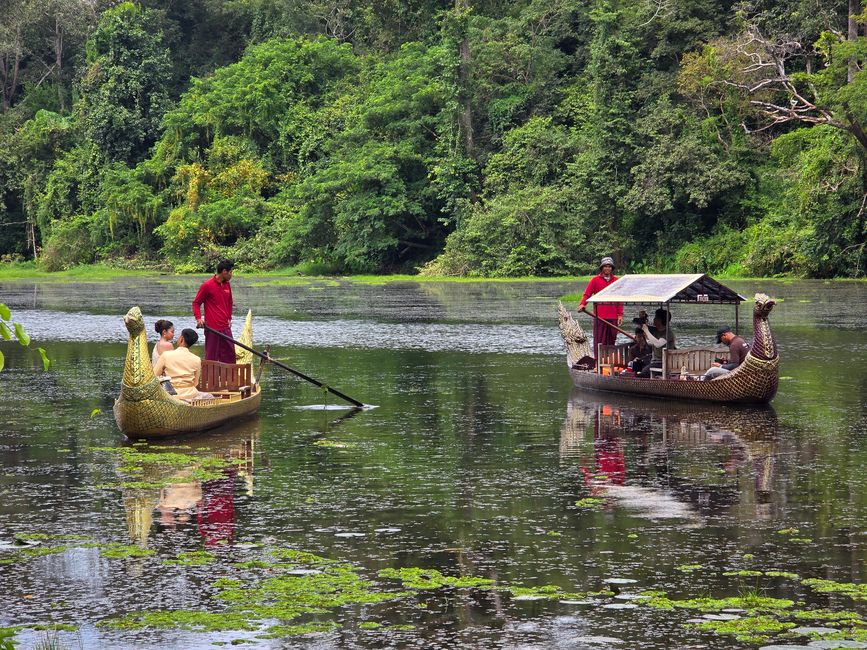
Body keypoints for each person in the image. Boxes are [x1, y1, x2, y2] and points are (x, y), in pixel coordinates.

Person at [578, 257, 623, 356]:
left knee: (611, 339)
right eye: (605, 266)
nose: (608, 268)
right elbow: (587, 294)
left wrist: (620, 315)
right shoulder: (595, 280)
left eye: (609, 266)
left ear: (612, 268)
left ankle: (610, 361)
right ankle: (597, 362)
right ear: (602, 268)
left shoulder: (616, 281)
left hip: (613, 316)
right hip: (599, 316)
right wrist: (582, 304)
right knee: (599, 340)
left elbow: (620, 299)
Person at [193, 259, 235, 363]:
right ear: (224, 271)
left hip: (225, 327)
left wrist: (229, 318)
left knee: (230, 355)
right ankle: (210, 379)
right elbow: (196, 303)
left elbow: (229, 302)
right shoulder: (207, 285)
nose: (231, 275)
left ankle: (228, 379)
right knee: (212, 357)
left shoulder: (227, 285)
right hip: (212, 328)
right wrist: (199, 318)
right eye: (231, 272)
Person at [153, 328, 213, 401]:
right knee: (209, 397)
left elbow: (155, 375)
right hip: (190, 394)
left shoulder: (166, 355)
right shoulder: (197, 359)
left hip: (171, 395)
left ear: (181, 339)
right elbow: (195, 383)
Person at [638, 308, 676, 378]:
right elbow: (641, 326)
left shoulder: (668, 333)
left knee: (644, 372)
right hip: (654, 360)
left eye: (656, 318)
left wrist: (646, 331)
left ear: (661, 320)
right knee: (637, 365)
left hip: (663, 362)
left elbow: (658, 344)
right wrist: (642, 317)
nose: (654, 319)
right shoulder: (655, 330)